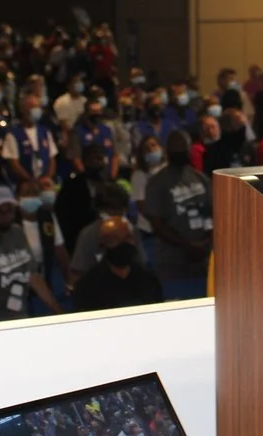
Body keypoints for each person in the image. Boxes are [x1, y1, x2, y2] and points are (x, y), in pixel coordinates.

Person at [0, 186, 62, 322]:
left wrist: (58, 311)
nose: (5, 215)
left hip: (20, 312)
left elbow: (33, 276)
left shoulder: (18, 233)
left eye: (9, 210)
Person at [142, 131, 212, 301]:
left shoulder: (200, 178)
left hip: (202, 261)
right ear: (168, 152)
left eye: (183, 151)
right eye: (176, 151)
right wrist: (188, 245)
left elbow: (213, 214)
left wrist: (207, 242)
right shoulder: (157, 182)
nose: (181, 154)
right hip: (171, 263)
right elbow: (157, 225)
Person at [72, 216, 164, 314]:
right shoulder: (87, 286)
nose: (123, 244)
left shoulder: (148, 278)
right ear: (103, 246)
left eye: (127, 238)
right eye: (115, 240)